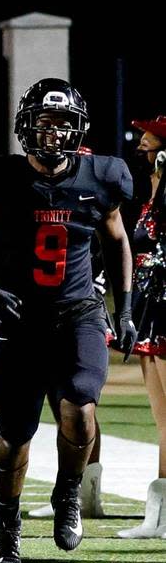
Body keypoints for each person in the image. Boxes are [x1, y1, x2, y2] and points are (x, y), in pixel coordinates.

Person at [0, 79, 134, 563]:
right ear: (26, 126)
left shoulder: (102, 177)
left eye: (62, 124)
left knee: (80, 407)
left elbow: (117, 241)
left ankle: (68, 493)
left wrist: (123, 310)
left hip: (78, 314)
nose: (53, 132)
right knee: (14, 431)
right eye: (44, 122)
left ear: (77, 130)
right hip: (22, 321)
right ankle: (6, 529)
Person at [117, 114, 166, 538]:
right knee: (161, 417)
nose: (141, 149)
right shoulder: (154, 192)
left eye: (149, 143)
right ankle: (159, 515)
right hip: (155, 307)